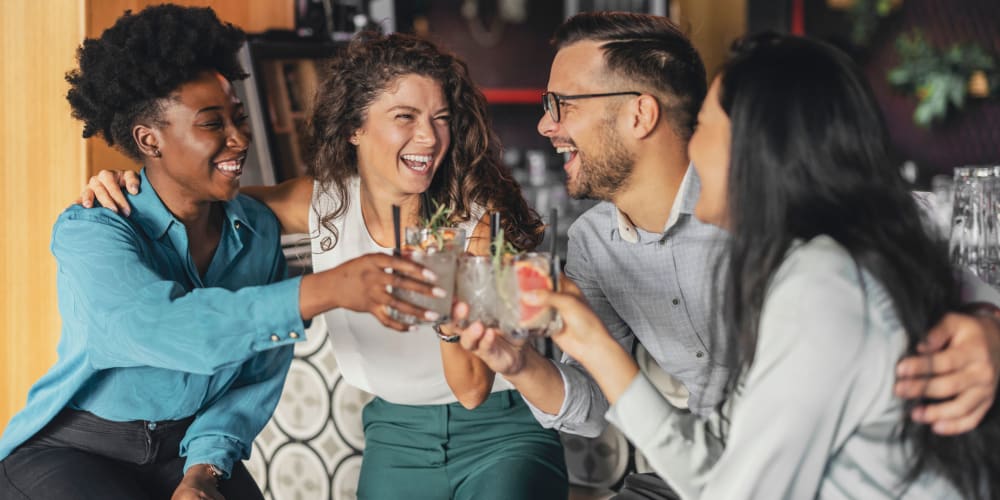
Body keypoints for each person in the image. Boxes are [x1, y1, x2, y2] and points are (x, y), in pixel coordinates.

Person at [453, 11, 1000, 499]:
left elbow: (959, 233)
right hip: (710, 460)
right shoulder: (601, 242)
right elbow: (708, 459)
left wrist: (991, 324)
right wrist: (536, 357)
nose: (547, 123)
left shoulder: (822, 260)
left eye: (561, 104)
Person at [78, 31, 567, 500]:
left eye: (441, 118)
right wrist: (126, 184)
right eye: (405, 116)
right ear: (355, 127)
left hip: (502, 433)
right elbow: (192, 195)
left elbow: (473, 389)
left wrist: (446, 289)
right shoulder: (323, 204)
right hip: (394, 436)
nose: (429, 137)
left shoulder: (479, 224)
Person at [0, 5, 437, 500]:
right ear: (149, 139)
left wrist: (204, 469)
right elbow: (166, 328)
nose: (239, 138)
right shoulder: (92, 230)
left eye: (239, 118)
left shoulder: (257, 232)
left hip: (186, 451)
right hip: (71, 452)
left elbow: (255, 378)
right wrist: (325, 289)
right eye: (212, 124)